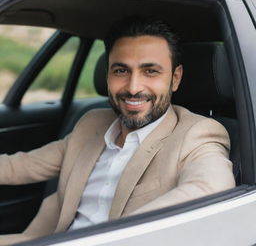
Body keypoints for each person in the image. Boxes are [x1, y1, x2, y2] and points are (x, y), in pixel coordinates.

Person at [0, 17, 235, 245]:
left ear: (175, 78)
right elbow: (19, 166)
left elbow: (211, 189)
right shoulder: (91, 124)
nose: (133, 88)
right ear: (108, 74)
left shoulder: (198, 133)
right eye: (121, 71)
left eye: (150, 71)